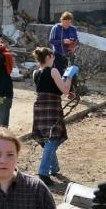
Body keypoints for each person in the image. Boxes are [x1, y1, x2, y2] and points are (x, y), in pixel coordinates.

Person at [30, 47, 72, 186]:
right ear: (48, 57)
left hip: (40, 106)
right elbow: (65, 90)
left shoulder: (35, 72)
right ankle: (43, 172)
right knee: (53, 138)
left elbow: (51, 88)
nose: (54, 58)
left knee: (48, 138)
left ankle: (54, 168)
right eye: (52, 56)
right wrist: (70, 76)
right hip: (52, 106)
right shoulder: (53, 71)